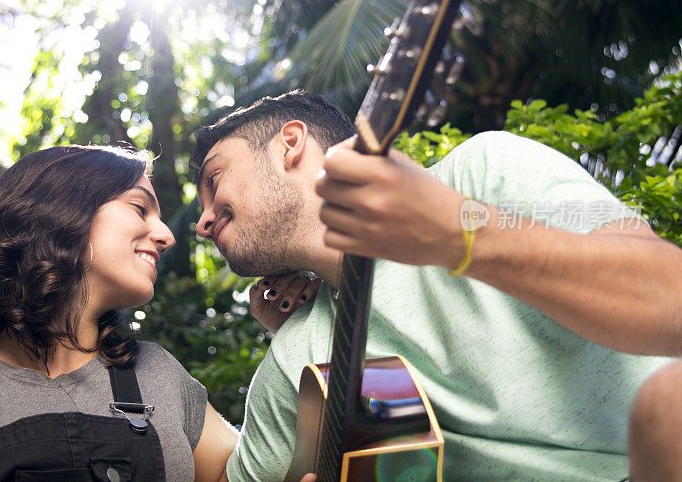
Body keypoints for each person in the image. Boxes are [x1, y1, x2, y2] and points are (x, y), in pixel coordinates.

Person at [190, 90, 682, 481]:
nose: (202, 223)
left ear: (290, 144)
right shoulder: (297, 359)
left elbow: (670, 295)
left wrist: (457, 231)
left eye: (215, 180)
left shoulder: (481, 173)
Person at [0, 145, 314, 482]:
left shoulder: (157, 374)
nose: (165, 235)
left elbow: (247, 474)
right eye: (139, 208)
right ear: (61, 211)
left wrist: (294, 333)